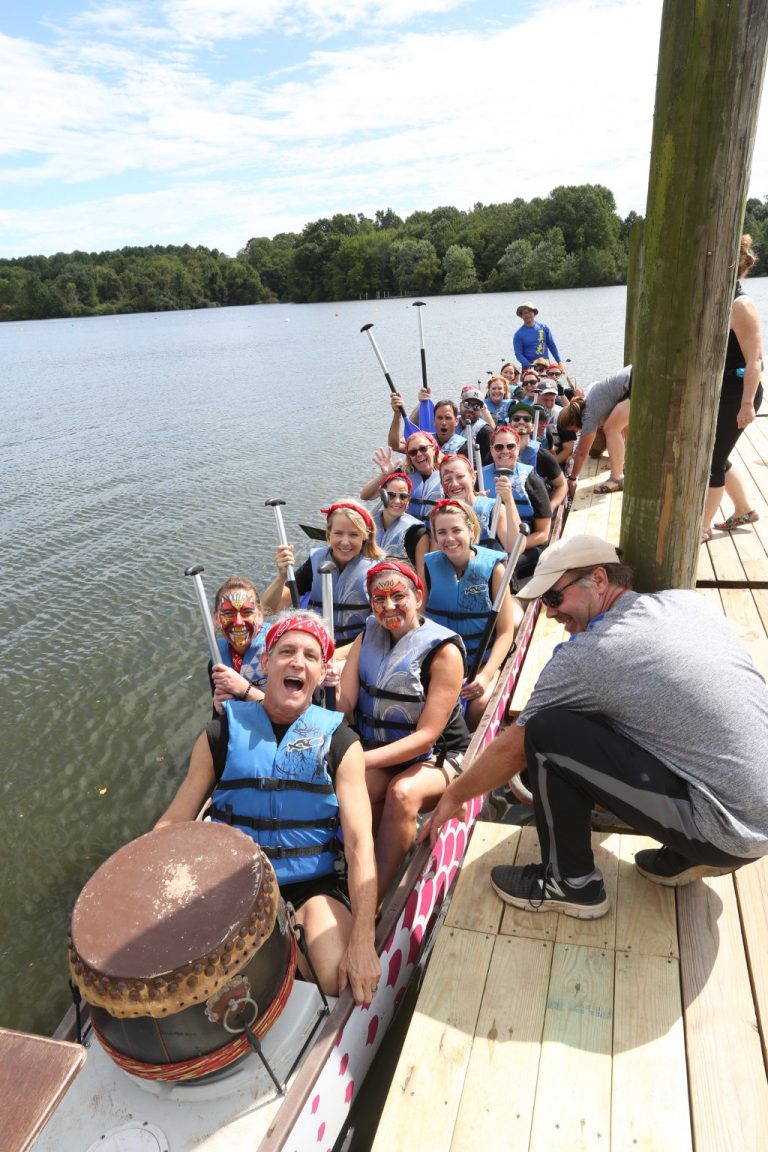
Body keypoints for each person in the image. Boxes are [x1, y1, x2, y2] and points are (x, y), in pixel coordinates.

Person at [421, 535, 768, 919]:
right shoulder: (684, 602)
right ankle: (689, 851)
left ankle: (570, 884)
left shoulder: (589, 657)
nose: (550, 614)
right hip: (754, 809)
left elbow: (512, 749)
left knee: (548, 734)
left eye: (553, 599)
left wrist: (454, 796)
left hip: (728, 828)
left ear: (600, 580)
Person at [155, 611, 380, 1004]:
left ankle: (291, 954)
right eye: (287, 652)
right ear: (265, 662)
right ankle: (277, 960)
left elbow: (361, 844)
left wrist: (364, 939)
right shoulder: (219, 735)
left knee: (333, 976)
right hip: (233, 885)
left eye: (311, 656)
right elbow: (174, 821)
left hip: (313, 885)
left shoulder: (341, 743)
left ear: (321, 671)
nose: (298, 662)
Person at [337, 560, 469, 902]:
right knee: (358, 789)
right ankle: (354, 868)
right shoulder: (367, 636)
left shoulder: (444, 653)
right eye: (379, 600)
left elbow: (426, 736)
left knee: (401, 793)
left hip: (438, 756)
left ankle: (372, 900)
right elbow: (345, 703)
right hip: (380, 748)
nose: (389, 606)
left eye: (398, 596)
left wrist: (358, 761)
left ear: (418, 597)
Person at [425, 499, 522, 729]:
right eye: (442, 532)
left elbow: (506, 632)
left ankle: (467, 752)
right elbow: (420, 621)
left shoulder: (495, 569)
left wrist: (486, 676)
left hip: (481, 660)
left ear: (471, 529)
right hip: (442, 660)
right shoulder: (428, 567)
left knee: (479, 705)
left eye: (456, 530)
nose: (449, 538)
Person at [702, 234, 765, 542]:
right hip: (723, 392)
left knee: (711, 460)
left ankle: (701, 528)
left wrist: (747, 405)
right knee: (716, 452)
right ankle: (743, 508)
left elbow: (755, 360)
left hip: (739, 393)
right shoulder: (722, 302)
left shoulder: (742, 305)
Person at [262, 500, 383, 649]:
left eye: (353, 535)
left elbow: (378, 630)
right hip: (317, 644)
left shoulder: (377, 571)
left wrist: (337, 656)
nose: (345, 542)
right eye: (338, 533)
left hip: (356, 648)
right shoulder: (315, 562)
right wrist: (281, 577)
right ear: (328, 534)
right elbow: (268, 609)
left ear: (364, 536)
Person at [479, 425, 553, 576]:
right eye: (499, 447)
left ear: (518, 448)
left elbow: (544, 534)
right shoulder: (479, 479)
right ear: (492, 450)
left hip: (528, 545)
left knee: (503, 569)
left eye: (510, 446)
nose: (505, 451)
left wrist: (512, 548)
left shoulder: (531, 481)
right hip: (488, 543)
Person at [560, 365, 632, 496]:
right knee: (620, 426)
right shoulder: (589, 402)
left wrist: (572, 478)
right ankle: (622, 466)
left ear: (574, 421)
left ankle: (617, 478)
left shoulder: (588, 415)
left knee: (611, 428)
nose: (576, 432)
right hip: (633, 378)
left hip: (632, 382)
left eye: (573, 429)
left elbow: (583, 453)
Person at [206, 577, 268, 713]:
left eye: (247, 612)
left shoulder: (279, 652)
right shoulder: (218, 660)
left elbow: (290, 711)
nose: (238, 622)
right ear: (216, 619)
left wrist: (245, 689)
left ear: (260, 615)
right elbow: (218, 717)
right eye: (228, 613)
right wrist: (220, 710)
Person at [439, 452, 520, 553]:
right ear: (442, 484)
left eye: (460, 476)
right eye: (448, 479)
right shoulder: (440, 515)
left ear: (473, 477)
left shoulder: (494, 509)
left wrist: (509, 501)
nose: (454, 484)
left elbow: (514, 548)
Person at [368, 468, 429, 585]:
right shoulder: (367, 526)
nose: (397, 501)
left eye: (403, 497)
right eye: (391, 495)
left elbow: (422, 579)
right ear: (382, 495)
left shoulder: (418, 534)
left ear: (408, 500)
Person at [506, 405, 568, 512]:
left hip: (535, 517)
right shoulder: (499, 455)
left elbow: (562, 485)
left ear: (533, 426)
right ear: (508, 425)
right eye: (516, 418)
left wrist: (550, 508)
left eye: (527, 419)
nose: (521, 421)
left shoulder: (542, 456)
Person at [513, 302, 564, 370]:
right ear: (521, 316)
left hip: (546, 365)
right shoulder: (518, 334)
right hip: (529, 368)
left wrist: (559, 362)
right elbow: (518, 354)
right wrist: (530, 366)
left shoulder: (544, 328)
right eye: (524, 313)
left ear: (534, 313)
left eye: (529, 312)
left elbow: (552, 345)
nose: (527, 315)